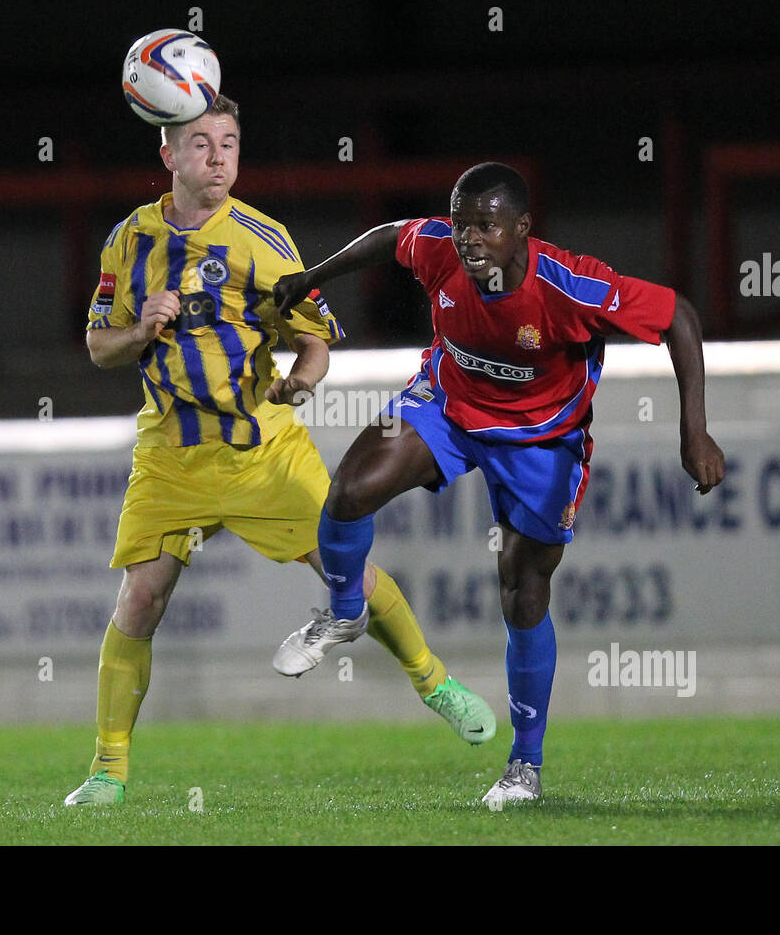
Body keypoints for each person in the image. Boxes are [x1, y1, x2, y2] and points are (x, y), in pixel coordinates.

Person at [64, 97, 496, 806]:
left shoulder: (264, 240)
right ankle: (107, 772)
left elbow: (317, 339)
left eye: (229, 143)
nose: (218, 157)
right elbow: (97, 345)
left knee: (345, 572)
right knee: (140, 600)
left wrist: (300, 379)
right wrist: (140, 331)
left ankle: (436, 684)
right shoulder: (127, 242)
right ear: (167, 155)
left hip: (264, 450)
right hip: (170, 456)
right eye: (200, 144)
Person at [272, 162, 726, 804]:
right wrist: (313, 278)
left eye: (485, 226)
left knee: (522, 587)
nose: (469, 239)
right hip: (448, 407)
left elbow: (677, 315)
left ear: (521, 229)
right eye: (461, 225)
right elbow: (390, 236)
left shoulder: (570, 286)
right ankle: (346, 611)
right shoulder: (441, 250)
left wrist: (694, 433)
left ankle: (525, 766)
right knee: (349, 491)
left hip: (543, 441)